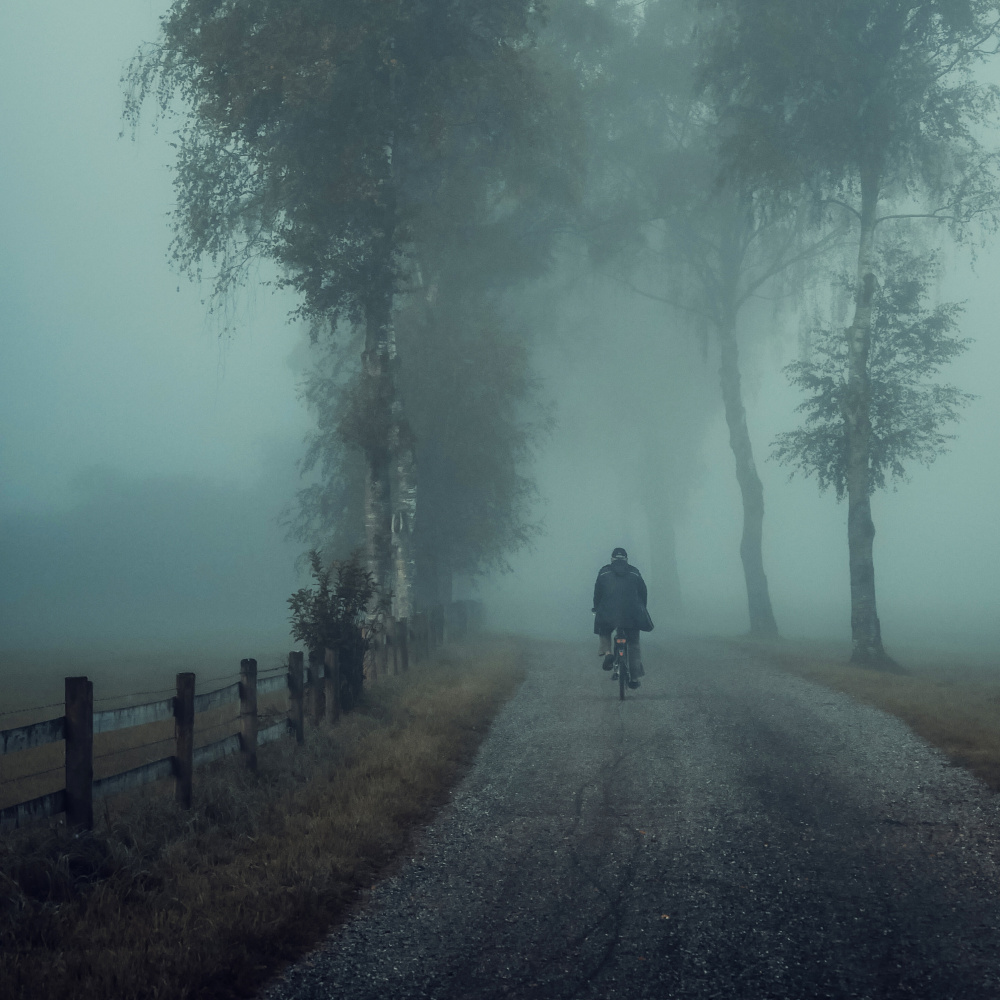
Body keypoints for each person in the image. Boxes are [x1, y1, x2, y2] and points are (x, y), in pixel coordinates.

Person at [592, 547, 654, 689]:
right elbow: (643, 592)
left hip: (608, 613)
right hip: (632, 614)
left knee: (604, 629)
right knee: (633, 644)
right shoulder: (634, 572)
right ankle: (634, 678)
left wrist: (596, 608)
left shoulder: (604, 572)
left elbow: (597, 593)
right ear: (626, 559)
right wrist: (641, 608)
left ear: (612, 559)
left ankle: (608, 653)